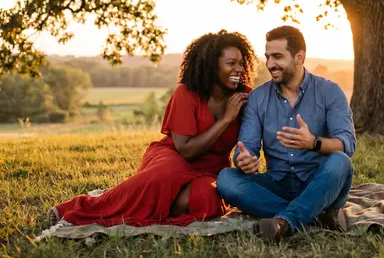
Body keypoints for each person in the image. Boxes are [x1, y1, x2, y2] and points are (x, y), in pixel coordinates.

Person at [47, 30, 256, 227]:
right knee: (165, 175)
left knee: (206, 200)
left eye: (240, 63)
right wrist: (226, 119)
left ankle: (141, 200)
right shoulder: (187, 93)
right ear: (211, 65)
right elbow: (186, 150)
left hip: (211, 169)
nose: (239, 68)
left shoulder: (245, 96)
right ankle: (83, 207)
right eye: (231, 63)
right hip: (174, 158)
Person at [216, 25, 356, 243]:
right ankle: (313, 215)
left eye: (277, 56)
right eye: (268, 57)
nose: (270, 64)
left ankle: (284, 222)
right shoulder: (258, 98)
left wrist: (314, 143)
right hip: (277, 184)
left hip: (319, 182)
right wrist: (244, 160)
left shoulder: (330, 91)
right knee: (226, 179)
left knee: (341, 162)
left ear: (299, 57)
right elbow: (247, 147)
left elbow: (347, 144)